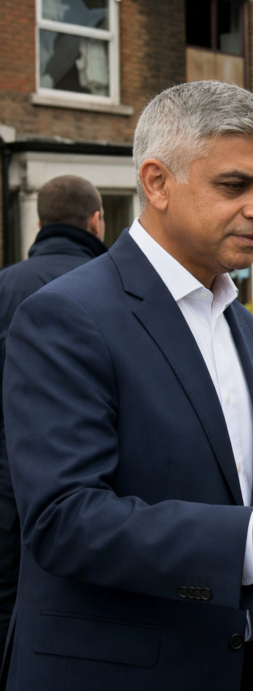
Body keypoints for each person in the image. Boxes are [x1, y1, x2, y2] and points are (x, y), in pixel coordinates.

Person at [2, 81, 253, 691]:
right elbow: (63, 520)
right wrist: (250, 537)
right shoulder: (64, 315)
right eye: (236, 185)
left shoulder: (248, 331)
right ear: (156, 182)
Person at [0, 175, 107, 651]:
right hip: (91, 484)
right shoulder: (112, 294)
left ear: (40, 223)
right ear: (97, 221)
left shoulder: (5, 284)